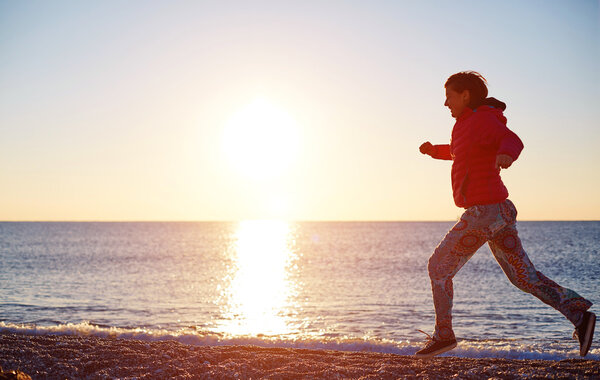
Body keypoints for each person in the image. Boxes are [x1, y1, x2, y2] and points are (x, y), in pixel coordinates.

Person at [416, 71, 595, 358]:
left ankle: (444, 336)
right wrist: (434, 151)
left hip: (484, 213)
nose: (445, 103)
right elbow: (459, 151)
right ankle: (579, 316)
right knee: (524, 277)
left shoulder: (483, 118)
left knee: (439, 267)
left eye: (449, 96)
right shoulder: (465, 125)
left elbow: (512, 139)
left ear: (466, 95)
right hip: (497, 213)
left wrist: (507, 154)